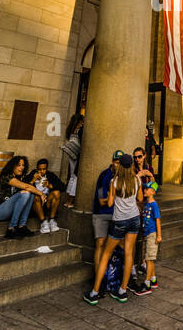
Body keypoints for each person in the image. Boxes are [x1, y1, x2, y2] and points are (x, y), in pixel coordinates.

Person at [84, 155, 142, 304]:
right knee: (129, 253)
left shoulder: (114, 181)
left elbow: (110, 203)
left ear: (120, 166)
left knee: (106, 254)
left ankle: (94, 292)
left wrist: (112, 197)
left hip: (119, 220)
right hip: (134, 219)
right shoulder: (137, 180)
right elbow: (140, 199)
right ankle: (123, 290)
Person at [0, 155, 43, 238]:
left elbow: (28, 187)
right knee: (26, 192)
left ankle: (22, 226)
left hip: (8, 211)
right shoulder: (7, 177)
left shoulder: (19, 178)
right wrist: (42, 194)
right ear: (12, 166)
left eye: (23, 165)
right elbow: (26, 187)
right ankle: (11, 228)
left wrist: (32, 183)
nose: (21, 167)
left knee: (30, 193)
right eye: (19, 165)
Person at [30, 158, 64, 234]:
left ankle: (52, 220)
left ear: (47, 169)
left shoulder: (50, 175)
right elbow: (24, 186)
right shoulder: (32, 174)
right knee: (35, 197)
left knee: (56, 193)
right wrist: (32, 180)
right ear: (36, 169)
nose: (41, 171)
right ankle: (44, 223)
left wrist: (50, 185)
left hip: (47, 203)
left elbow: (62, 186)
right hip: (36, 203)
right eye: (39, 169)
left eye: (44, 169)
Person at [141, 180, 162, 289]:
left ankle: (147, 282)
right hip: (146, 234)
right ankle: (153, 279)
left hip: (152, 234)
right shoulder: (146, 204)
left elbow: (157, 220)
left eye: (146, 189)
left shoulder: (154, 205)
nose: (144, 190)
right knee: (149, 258)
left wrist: (159, 235)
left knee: (149, 259)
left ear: (152, 192)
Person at [60, 113, 83, 208]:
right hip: (77, 155)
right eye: (81, 122)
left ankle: (68, 199)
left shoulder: (70, 130)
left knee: (72, 177)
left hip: (72, 156)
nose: (82, 124)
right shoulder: (80, 131)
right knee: (76, 177)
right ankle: (71, 200)